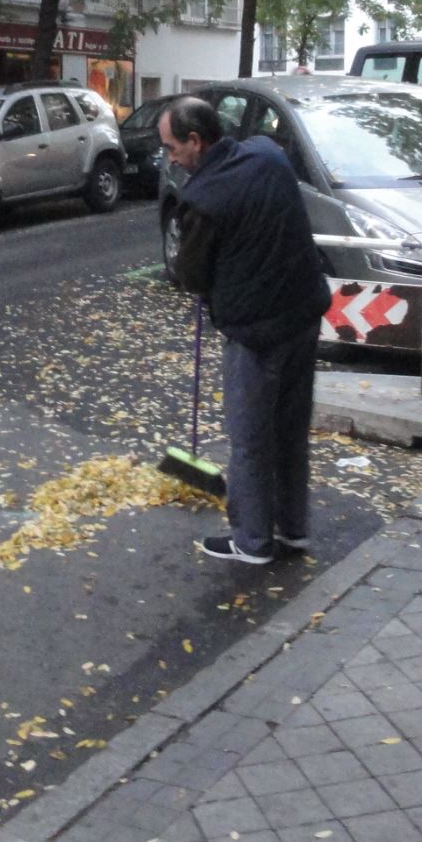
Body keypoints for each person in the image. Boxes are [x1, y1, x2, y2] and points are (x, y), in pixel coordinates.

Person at [158, 96, 332, 563]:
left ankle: (253, 541)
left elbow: (191, 276)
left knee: (251, 437)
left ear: (196, 142)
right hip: (303, 315)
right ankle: (293, 531)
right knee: (290, 432)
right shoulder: (267, 154)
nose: (169, 158)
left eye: (172, 148)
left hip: (256, 333)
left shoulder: (202, 200)